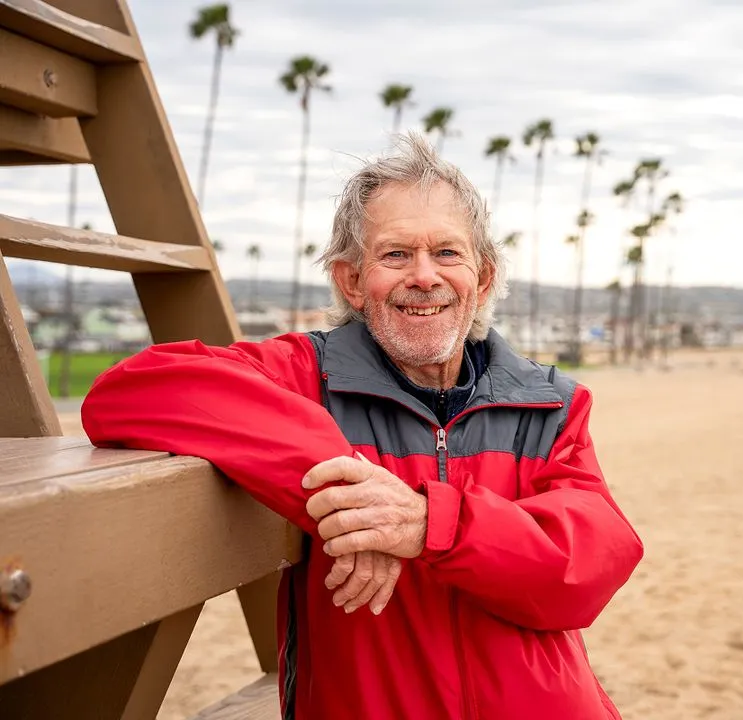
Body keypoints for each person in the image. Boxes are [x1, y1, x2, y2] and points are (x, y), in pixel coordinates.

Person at [82, 133, 644, 719]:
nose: (424, 277)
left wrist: (430, 523)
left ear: (482, 278)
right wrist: (353, 493)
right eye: (395, 254)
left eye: (447, 254)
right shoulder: (305, 376)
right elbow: (129, 391)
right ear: (351, 281)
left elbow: (585, 568)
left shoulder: (550, 404)